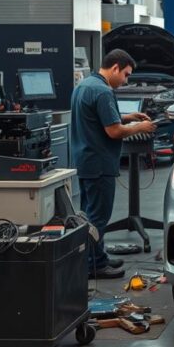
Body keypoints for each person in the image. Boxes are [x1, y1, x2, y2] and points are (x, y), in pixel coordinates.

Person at [71, 49, 156, 279]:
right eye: (126, 74)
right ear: (115, 67)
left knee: (88, 216)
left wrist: (129, 117)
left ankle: (97, 258)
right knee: (98, 218)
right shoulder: (103, 91)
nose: (126, 80)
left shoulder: (85, 85)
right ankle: (94, 267)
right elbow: (114, 131)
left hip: (85, 161)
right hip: (99, 164)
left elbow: (99, 118)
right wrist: (141, 127)